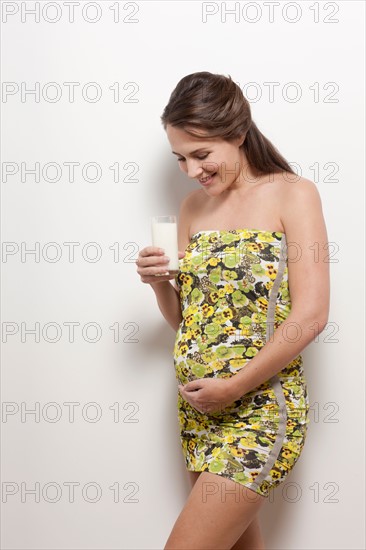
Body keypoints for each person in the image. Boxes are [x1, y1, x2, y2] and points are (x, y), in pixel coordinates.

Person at [136, 71, 330, 550]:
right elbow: (187, 322)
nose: (191, 170)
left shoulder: (293, 193)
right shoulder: (191, 210)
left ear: (239, 133)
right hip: (200, 408)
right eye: (179, 158)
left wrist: (235, 388)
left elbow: (311, 315)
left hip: (259, 409)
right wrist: (160, 284)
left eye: (201, 154)